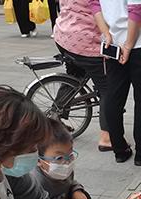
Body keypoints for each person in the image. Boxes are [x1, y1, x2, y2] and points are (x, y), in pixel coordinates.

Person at [99, 1, 141, 166]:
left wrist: (107, 34)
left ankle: (119, 150)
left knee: (114, 98)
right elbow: (136, 7)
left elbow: (94, 5)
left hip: (114, 42)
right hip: (140, 42)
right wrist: (128, 46)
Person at [54, 0, 112, 151]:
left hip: (63, 34)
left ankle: (54, 118)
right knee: (108, 88)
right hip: (86, 40)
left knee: (75, 75)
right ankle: (106, 137)